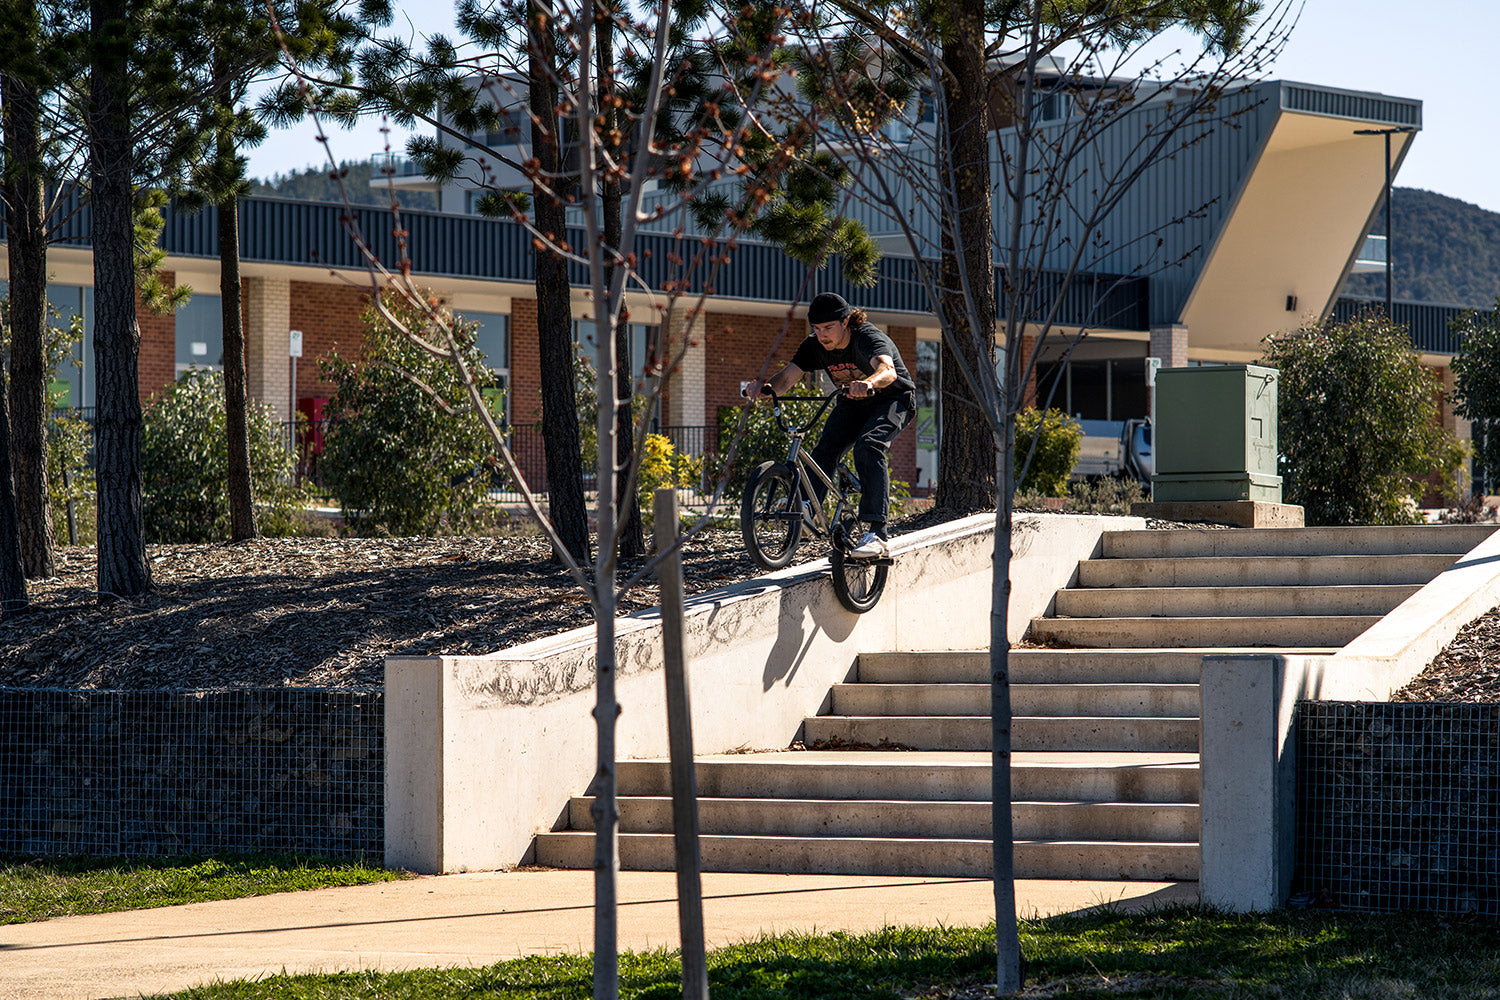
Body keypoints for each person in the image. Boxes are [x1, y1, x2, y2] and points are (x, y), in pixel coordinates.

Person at [748, 292, 916, 559]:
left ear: (846, 321)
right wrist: (766, 390)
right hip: (852, 402)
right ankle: (805, 508)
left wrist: (869, 383)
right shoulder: (814, 346)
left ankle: (878, 533)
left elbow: (887, 370)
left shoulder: (867, 338)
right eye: (817, 329)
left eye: (828, 328)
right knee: (825, 448)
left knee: (869, 445)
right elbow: (787, 377)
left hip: (893, 399)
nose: (822, 335)